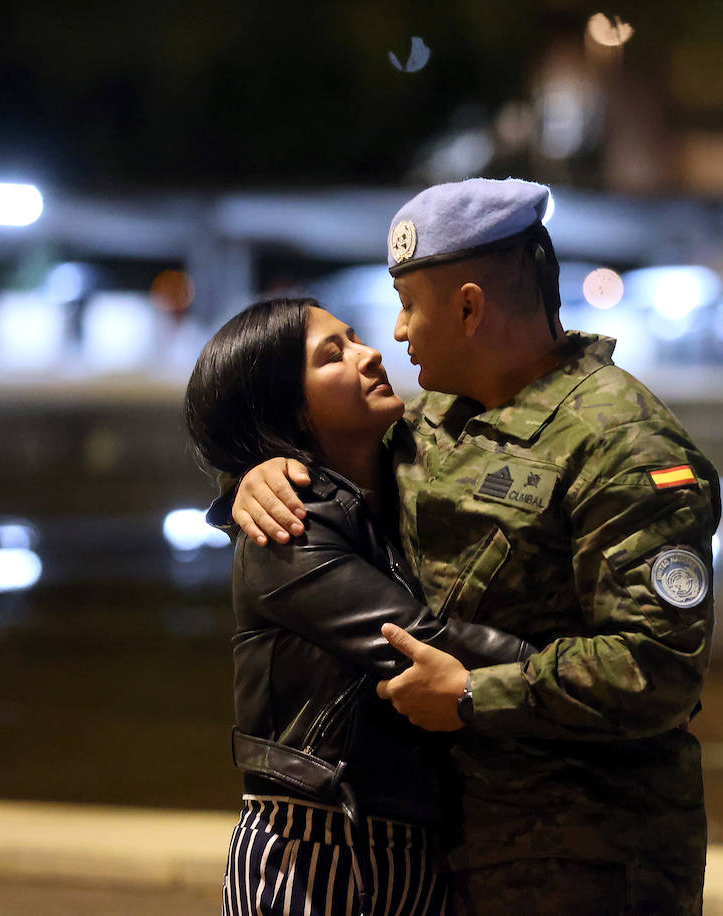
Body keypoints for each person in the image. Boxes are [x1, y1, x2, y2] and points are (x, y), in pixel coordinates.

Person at [231, 178, 721, 915]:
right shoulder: (429, 427)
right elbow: (329, 467)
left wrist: (469, 696)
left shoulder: (622, 443)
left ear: (468, 307)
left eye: (408, 306)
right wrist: (258, 471)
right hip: (446, 851)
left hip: (592, 864)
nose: (396, 334)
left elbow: (659, 668)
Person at [184, 297, 539, 915]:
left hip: (409, 846)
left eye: (353, 338)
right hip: (318, 849)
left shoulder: (393, 494)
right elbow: (418, 639)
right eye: (333, 354)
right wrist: (583, 674)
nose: (370, 352)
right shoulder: (287, 532)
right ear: (290, 408)